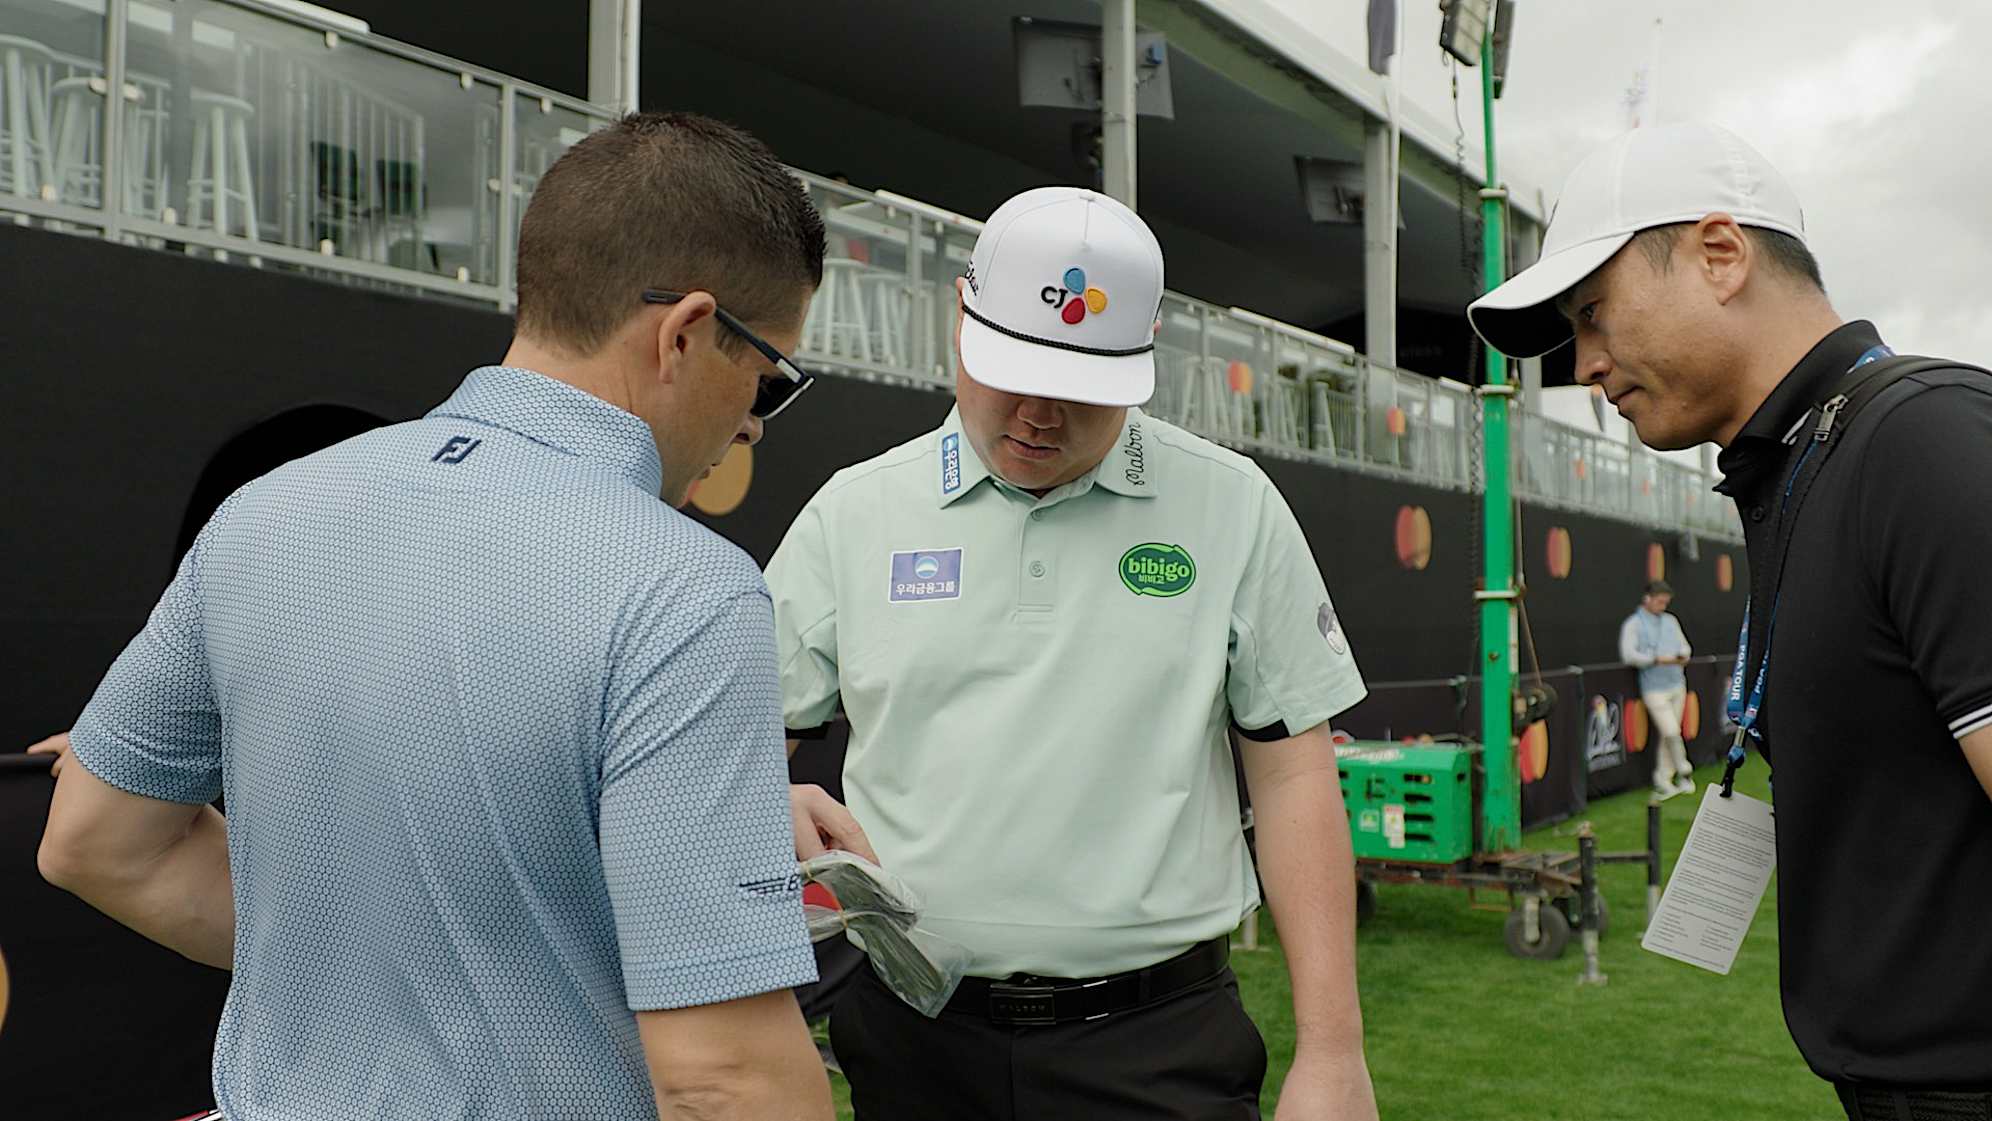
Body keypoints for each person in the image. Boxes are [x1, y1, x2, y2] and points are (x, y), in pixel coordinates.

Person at [34, 112, 834, 1121]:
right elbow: (726, 1081)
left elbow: (98, 839)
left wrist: (390, 955)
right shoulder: (686, 590)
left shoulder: (266, 511)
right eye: (768, 377)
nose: (752, 421)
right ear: (683, 332)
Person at [773, 185, 1377, 1121]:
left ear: (1145, 358)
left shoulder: (1233, 504)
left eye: (1082, 389)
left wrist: (1334, 1053)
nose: (1039, 414)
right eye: (1012, 369)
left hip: (1159, 1046)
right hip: (910, 1041)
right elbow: (734, 759)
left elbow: (1295, 777)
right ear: (960, 316)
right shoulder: (853, 512)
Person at [1469, 121, 1992, 1119]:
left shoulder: (1921, 442)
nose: (1581, 364)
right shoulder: (1812, 465)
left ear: (1720, 254)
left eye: (1594, 314)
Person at [1618, 579, 1694, 798]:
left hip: (1677, 683)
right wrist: (1654, 659)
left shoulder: (1671, 620)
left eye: (1666, 602)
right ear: (1647, 599)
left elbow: (1685, 646)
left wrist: (1682, 655)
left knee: (1669, 735)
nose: (1663, 606)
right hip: (1654, 688)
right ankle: (1685, 771)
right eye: (1660, 602)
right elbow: (1628, 654)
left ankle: (1664, 779)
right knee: (1671, 731)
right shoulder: (1633, 624)